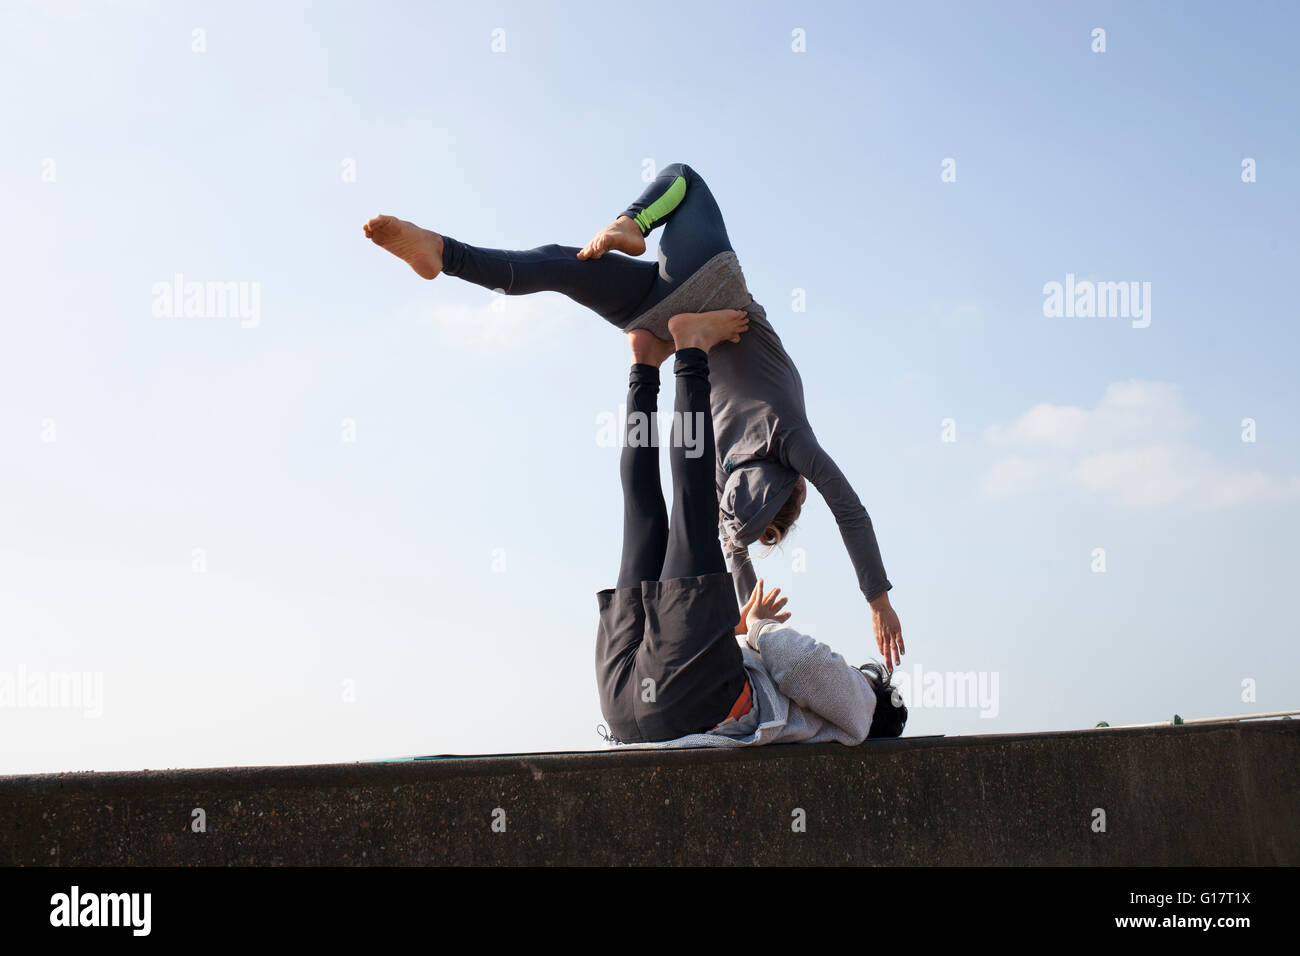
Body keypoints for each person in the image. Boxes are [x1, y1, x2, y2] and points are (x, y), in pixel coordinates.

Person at [363, 162, 904, 670]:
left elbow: (849, 510)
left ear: (793, 487)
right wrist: (752, 628)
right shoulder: (722, 476)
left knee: (682, 180)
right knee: (560, 267)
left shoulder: (789, 437)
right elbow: (735, 550)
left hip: (709, 282)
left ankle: (628, 222)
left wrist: (879, 600)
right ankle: (443, 254)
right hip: (661, 326)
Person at [593, 309, 907, 745]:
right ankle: (644, 366)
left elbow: (800, 664)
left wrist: (758, 626)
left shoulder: (861, 706)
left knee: (690, 501)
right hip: (625, 706)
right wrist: (738, 627)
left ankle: (690, 351)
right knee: (644, 514)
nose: (851, 671)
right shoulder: (811, 727)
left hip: (685, 694)